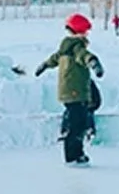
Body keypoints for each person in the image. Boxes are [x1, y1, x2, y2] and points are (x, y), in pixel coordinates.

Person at [36, 14, 104, 166]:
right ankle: (73, 156)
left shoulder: (65, 48)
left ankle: (75, 146)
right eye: (86, 31)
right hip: (75, 91)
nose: (87, 34)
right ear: (81, 31)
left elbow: (54, 59)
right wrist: (94, 63)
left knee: (81, 116)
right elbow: (84, 56)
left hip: (70, 89)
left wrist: (44, 65)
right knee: (77, 125)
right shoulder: (77, 47)